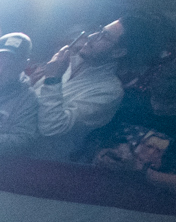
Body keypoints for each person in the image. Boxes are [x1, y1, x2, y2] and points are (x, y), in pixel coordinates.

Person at [25, 17, 133, 160]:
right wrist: (28, 83)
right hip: (8, 147)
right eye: (99, 30)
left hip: (37, 166)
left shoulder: (110, 92)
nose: (92, 36)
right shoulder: (66, 60)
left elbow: (52, 128)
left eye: (104, 36)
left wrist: (53, 80)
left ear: (118, 52)